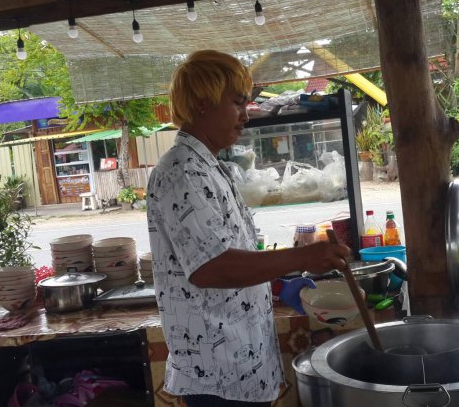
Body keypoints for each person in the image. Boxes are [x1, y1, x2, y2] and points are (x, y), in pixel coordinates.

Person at [146, 49, 350, 406]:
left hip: (240, 364)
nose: (245, 115)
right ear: (202, 102)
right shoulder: (182, 171)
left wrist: (275, 285)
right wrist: (302, 256)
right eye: (237, 103)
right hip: (217, 375)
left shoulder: (208, 165)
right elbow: (213, 268)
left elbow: (224, 254)